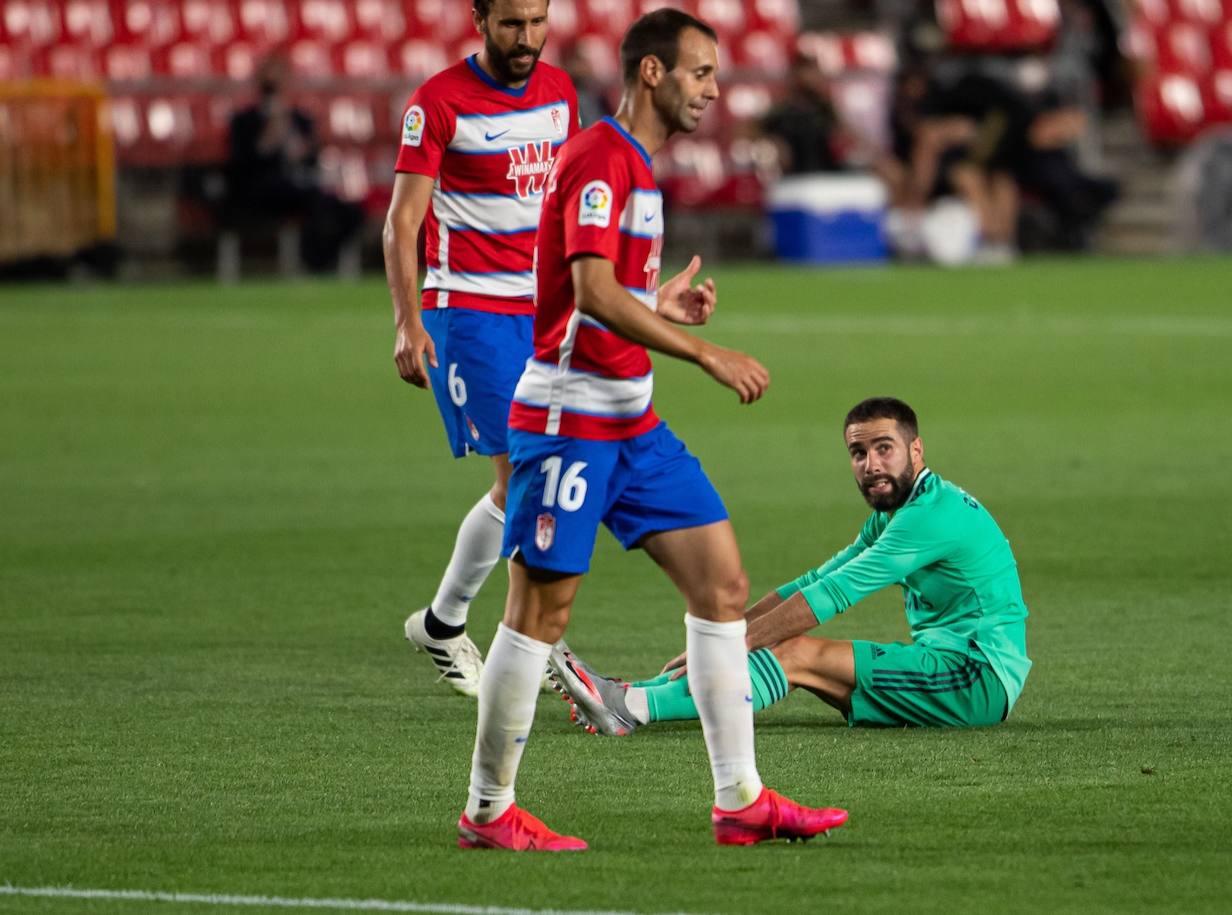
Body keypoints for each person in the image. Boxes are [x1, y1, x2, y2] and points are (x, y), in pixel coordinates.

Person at [455, 9, 848, 852]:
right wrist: (702, 351)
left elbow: (601, 291)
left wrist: (659, 304)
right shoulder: (602, 157)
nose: (715, 90)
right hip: (569, 420)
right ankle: (487, 810)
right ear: (652, 73)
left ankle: (740, 799)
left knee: (723, 584)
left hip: (632, 419)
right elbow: (591, 291)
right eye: (701, 73)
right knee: (539, 612)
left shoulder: (634, 163)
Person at [548, 397, 1032, 735]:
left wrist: (731, 642)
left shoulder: (929, 517)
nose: (871, 464)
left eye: (884, 448)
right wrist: (726, 633)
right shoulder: (898, 513)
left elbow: (836, 594)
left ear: (916, 450)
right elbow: (816, 579)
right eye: (859, 453)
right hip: (948, 664)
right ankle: (625, 693)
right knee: (778, 643)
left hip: (976, 678)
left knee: (793, 651)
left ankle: (632, 707)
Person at [385, 0, 579, 696]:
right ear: (479, 19)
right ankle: (530, 637)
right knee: (523, 473)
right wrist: (407, 321)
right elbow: (402, 220)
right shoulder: (438, 102)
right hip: (469, 312)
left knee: (547, 473)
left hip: (545, 311)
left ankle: (445, 624)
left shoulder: (559, 91)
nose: (527, 38)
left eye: (537, 21)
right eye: (511, 24)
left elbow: (563, 200)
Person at [226, 54, 363, 272]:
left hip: (300, 184)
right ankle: (314, 263)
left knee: (349, 210)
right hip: (263, 189)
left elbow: (312, 157)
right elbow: (242, 164)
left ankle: (324, 260)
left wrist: (301, 148)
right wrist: (268, 139)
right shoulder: (244, 121)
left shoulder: (299, 119)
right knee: (314, 200)